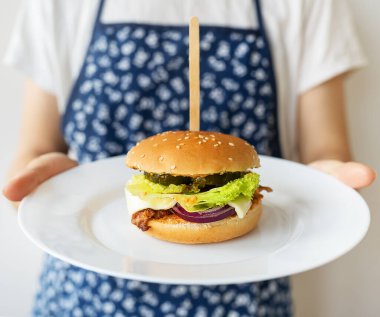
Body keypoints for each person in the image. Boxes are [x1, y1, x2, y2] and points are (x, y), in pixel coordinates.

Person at [2, 0, 375, 316]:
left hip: (246, 297)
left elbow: (326, 152)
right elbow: (34, 151)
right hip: (84, 295)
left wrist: (330, 183)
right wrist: (39, 195)